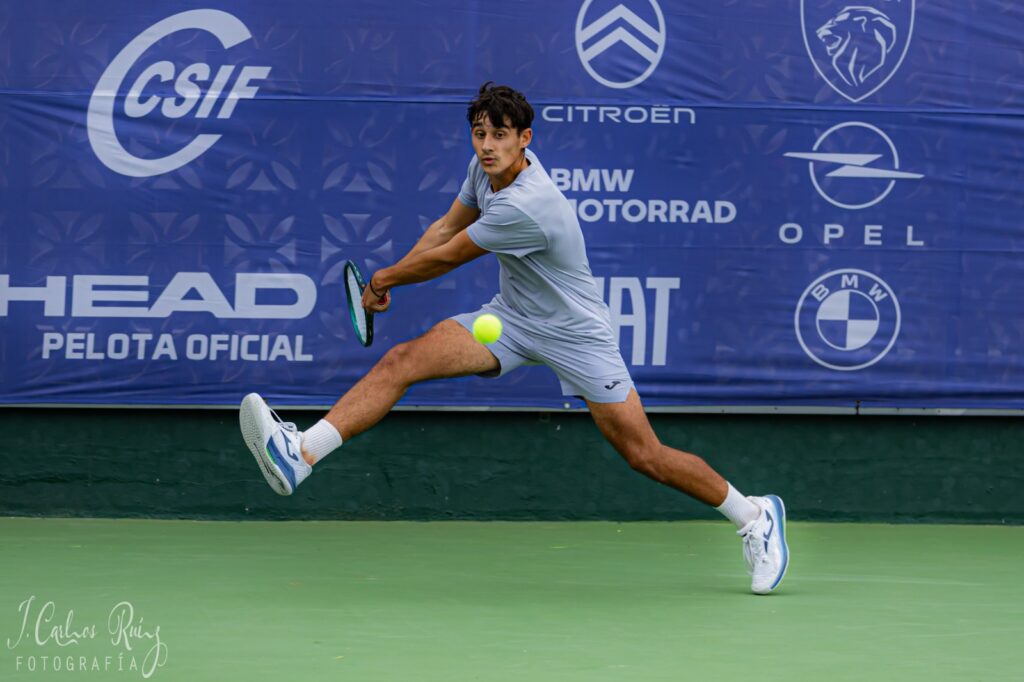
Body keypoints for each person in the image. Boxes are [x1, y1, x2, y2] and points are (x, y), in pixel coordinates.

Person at [239, 82, 789, 594]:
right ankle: (302, 453)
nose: (487, 145)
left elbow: (451, 256)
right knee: (403, 359)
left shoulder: (530, 203)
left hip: (577, 335)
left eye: (500, 135)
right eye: (479, 133)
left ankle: (755, 516)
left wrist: (383, 280)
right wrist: (391, 276)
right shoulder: (484, 171)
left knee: (643, 454)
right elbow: (443, 229)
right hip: (513, 319)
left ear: (525, 140)